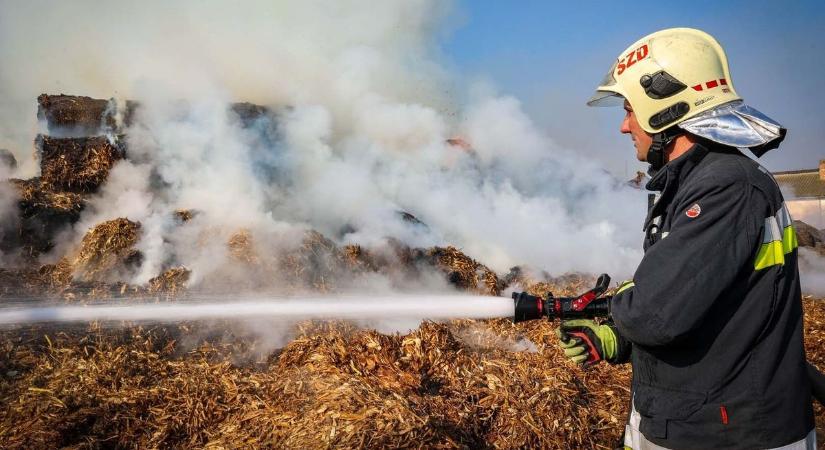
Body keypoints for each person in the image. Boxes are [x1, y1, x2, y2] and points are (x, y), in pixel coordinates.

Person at [556, 28, 815, 449]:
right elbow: (696, 298)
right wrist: (619, 335)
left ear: (665, 110)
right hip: (697, 417)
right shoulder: (699, 182)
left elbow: (657, 313)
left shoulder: (726, 188)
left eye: (629, 110)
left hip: (728, 432)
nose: (624, 127)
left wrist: (621, 316)